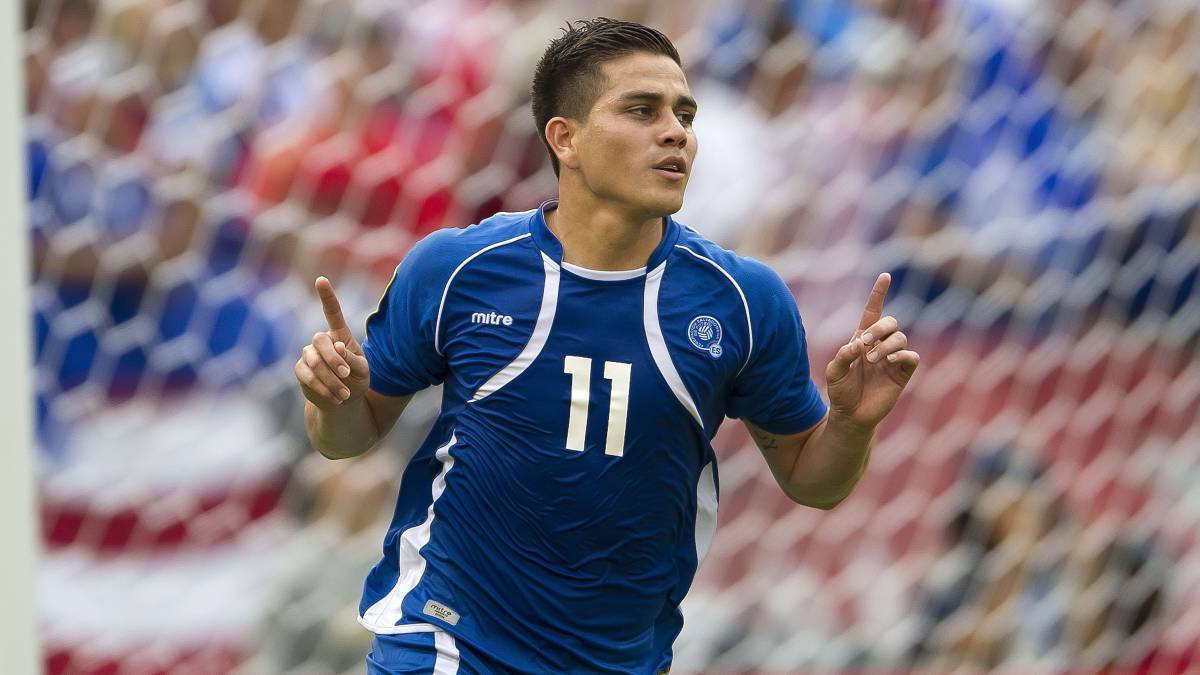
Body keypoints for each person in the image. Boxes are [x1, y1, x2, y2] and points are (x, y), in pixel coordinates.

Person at [294, 17, 919, 674]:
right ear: (565, 138)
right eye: (642, 111)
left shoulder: (745, 300)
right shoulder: (456, 268)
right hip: (447, 641)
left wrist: (850, 425)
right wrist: (333, 400)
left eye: (684, 114)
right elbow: (346, 437)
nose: (676, 132)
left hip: (619, 659)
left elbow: (813, 482)